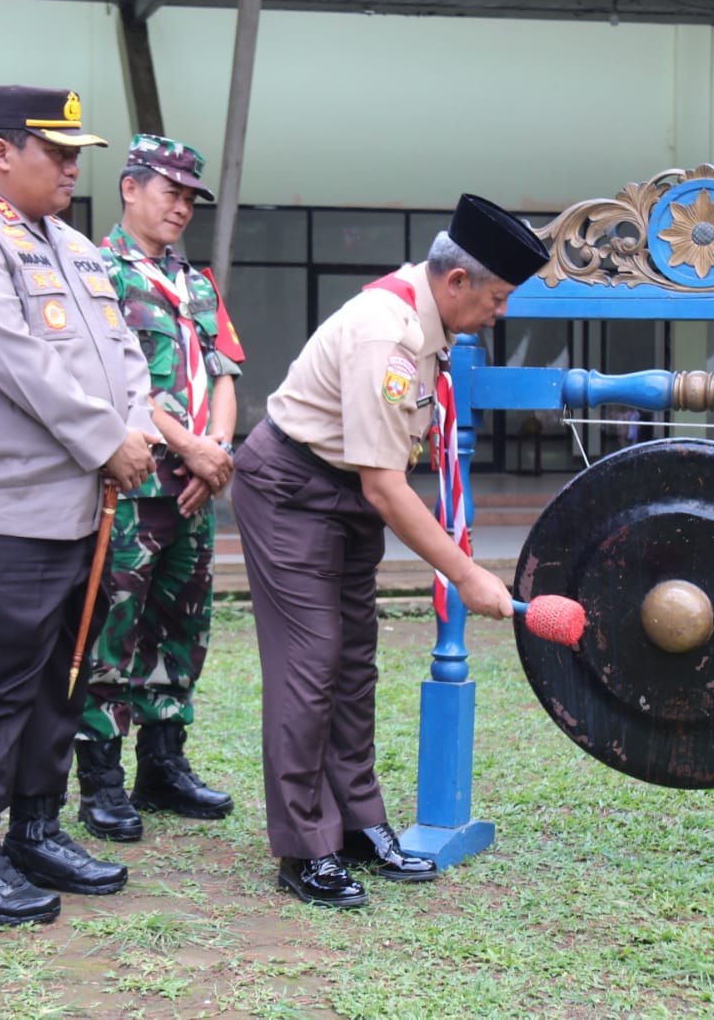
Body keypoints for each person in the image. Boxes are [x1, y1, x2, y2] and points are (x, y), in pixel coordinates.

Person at [232, 194, 545, 908]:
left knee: (352, 662)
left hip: (340, 490)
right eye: (496, 298)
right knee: (309, 665)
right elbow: (385, 486)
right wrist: (465, 575)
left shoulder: (424, 320)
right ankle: (304, 846)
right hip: (292, 489)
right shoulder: (389, 334)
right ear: (456, 281)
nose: (499, 314)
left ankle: (358, 823)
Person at [0, 85, 158, 927]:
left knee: (57, 679)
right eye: (56, 153)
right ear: (2, 152)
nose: (70, 168)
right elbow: (16, 362)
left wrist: (132, 432)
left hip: (72, 507)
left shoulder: (75, 247)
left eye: (75, 154)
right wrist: (108, 443)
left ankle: (35, 828)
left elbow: (125, 353)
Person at [75, 134, 239, 843]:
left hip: (194, 486)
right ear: (129, 188)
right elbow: (107, 383)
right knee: (117, 626)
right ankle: (101, 782)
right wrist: (194, 448)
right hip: (136, 483)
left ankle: (163, 765)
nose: (180, 208)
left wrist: (219, 451)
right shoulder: (95, 271)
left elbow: (224, 370)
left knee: (182, 627)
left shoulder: (194, 281)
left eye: (189, 199)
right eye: (169, 193)